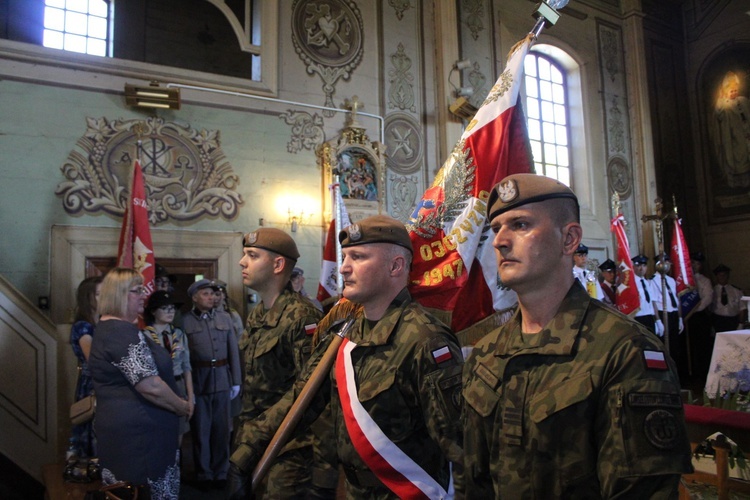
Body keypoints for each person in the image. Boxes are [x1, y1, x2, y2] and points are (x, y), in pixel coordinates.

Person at [461, 174, 692, 498]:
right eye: (497, 227)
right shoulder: (487, 353)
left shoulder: (625, 353)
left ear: (569, 240)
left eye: (521, 225)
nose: (500, 240)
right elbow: (471, 481)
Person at [228, 215, 464, 499]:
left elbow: (462, 450)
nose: (343, 268)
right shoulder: (343, 333)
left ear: (396, 266)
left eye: (359, 257)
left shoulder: (425, 339)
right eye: (345, 257)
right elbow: (301, 398)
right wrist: (245, 454)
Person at [234, 228, 323, 497]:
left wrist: (253, 442)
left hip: (288, 448)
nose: (242, 261)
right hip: (254, 439)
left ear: (278, 264)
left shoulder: (302, 317)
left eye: (252, 255)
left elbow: (308, 391)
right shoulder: (258, 314)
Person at [89, 268, 191, 498]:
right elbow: (150, 386)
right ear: (119, 295)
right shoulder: (121, 333)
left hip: (134, 434)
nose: (143, 296)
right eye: (136, 291)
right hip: (141, 440)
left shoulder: (111, 329)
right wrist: (181, 407)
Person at [183, 278, 242, 490]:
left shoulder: (225, 318)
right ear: (194, 297)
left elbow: (233, 351)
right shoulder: (185, 322)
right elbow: (185, 357)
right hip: (199, 380)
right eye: (206, 294)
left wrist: (236, 380)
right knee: (200, 431)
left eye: (212, 294)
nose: (211, 298)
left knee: (222, 430)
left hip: (223, 380)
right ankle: (204, 473)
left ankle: (221, 471)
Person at [143, 290, 194, 446]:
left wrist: (191, 397)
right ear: (153, 311)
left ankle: (176, 467)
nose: (170, 311)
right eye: (165, 308)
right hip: (157, 387)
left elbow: (186, 366)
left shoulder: (178, 334)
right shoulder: (145, 336)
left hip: (178, 385)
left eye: (172, 308)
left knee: (178, 434)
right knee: (158, 435)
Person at [69, 275, 102, 459]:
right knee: (91, 428)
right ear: (87, 297)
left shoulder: (103, 322)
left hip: (102, 381)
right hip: (92, 384)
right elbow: (93, 358)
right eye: (99, 294)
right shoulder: (83, 326)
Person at [651, 254, 687, 379]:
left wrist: (680, 318)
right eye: (664, 262)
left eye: (668, 262)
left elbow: (677, 300)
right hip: (662, 313)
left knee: (675, 347)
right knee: (664, 347)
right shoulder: (653, 281)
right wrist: (658, 320)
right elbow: (654, 302)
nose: (667, 265)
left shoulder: (671, 280)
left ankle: (677, 376)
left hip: (673, 314)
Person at [688, 252, 714, 381]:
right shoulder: (685, 280)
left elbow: (707, 298)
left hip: (699, 315)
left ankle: (703, 373)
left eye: (698, 264)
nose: (695, 266)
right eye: (693, 263)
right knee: (689, 346)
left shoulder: (705, 280)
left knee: (702, 345)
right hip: (687, 317)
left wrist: (694, 309)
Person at [711, 264, 746, 332]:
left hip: (733, 321)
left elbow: (742, 308)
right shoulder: (711, 291)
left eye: (724, 275)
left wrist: (741, 323)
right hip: (718, 321)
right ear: (716, 276)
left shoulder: (736, 291)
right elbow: (708, 309)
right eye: (720, 275)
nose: (722, 277)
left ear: (728, 276)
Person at [632, 254, 659, 334]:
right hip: (638, 318)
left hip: (650, 317)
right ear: (633, 266)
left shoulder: (647, 282)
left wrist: (658, 320)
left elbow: (653, 302)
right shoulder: (631, 283)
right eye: (638, 265)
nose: (641, 268)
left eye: (644, 265)